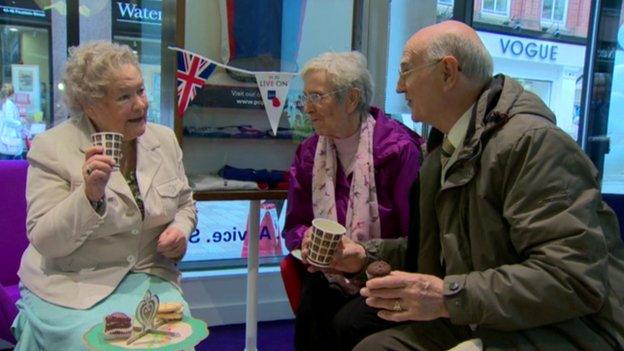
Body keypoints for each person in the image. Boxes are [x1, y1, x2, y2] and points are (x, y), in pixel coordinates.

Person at [321, 21, 624, 350]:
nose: (398, 87)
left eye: (406, 71)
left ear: (448, 72)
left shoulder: (534, 145)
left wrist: (447, 297)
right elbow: (436, 255)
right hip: (488, 317)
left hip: (563, 329)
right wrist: (363, 256)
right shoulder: (445, 152)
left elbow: (573, 279)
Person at [11, 41, 197, 350]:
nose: (140, 105)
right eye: (125, 96)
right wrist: (87, 197)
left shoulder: (164, 140)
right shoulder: (51, 147)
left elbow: (185, 203)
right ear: (90, 105)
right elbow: (45, 240)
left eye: (140, 90)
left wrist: (180, 229)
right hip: (72, 285)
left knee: (176, 340)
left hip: (148, 276)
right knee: (90, 343)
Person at [284, 51, 424, 351]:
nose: (307, 108)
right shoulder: (309, 153)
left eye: (317, 97)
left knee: (346, 325)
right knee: (311, 315)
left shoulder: (399, 151)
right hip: (329, 274)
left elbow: (417, 239)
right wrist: (304, 240)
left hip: (385, 274)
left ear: (351, 99)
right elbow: (295, 225)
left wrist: (363, 258)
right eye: (304, 97)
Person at [0, 83, 25, 159]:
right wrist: (20, 123)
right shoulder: (9, 104)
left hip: (5, 140)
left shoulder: (4, 103)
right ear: (13, 93)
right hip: (10, 140)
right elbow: (9, 120)